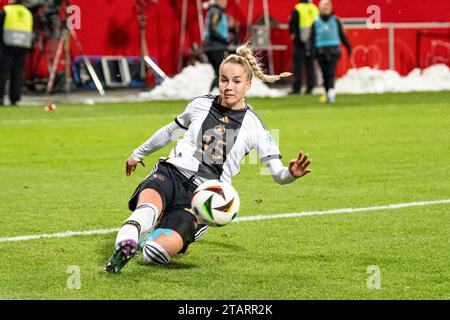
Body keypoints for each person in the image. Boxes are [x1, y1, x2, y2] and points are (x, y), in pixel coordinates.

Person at [104, 43, 313, 273]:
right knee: (145, 211)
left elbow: (277, 173)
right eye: (224, 80)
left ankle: (145, 241)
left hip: (203, 199)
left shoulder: (256, 127)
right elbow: (169, 131)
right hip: (171, 173)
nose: (228, 87)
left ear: (248, 85)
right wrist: (138, 153)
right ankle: (122, 250)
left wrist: (291, 174)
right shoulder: (200, 103)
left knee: (155, 252)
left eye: (236, 81)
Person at [311, 0, 351, 104]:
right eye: (324, 7)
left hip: (333, 50)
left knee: (331, 73)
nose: (326, 8)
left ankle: (331, 93)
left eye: (328, 6)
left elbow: (342, 35)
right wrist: (312, 50)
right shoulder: (316, 21)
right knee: (324, 74)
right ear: (320, 8)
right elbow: (312, 38)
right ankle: (327, 92)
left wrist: (348, 47)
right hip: (320, 50)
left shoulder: (335, 20)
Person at [0, 0, 33, 106]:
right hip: (22, 47)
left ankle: (0, 98)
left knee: (2, 73)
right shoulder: (27, 13)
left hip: (6, 46)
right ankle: (15, 99)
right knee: (17, 74)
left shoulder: (6, 10)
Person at [289, 0, 319, 95]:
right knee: (310, 66)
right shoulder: (315, 8)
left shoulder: (298, 8)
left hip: (299, 42)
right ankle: (310, 87)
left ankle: (297, 88)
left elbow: (292, 24)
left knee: (298, 66)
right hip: (312, 42)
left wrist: (293, 34)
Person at [203, 0, 231, 92]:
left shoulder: (213, 11)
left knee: (218, 72)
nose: (225, 2)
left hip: (212, 46)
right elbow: (212, 29)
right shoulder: (216, 11)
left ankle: (213, 93)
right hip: (215, 46)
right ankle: (212, 93)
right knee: (221, 72)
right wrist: (224, 40)